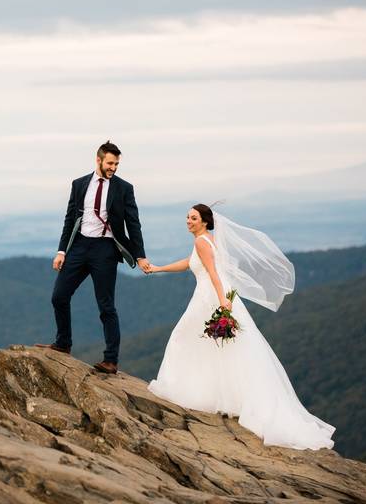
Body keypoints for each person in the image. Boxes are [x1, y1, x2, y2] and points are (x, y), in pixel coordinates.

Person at [145, 204, 335, 450]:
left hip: (209, 296)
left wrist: (222, 300)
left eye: (193, 218)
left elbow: (212, 272)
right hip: (216, 294)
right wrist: (159, 268)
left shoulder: (202, 242)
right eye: (187, 217)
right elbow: (191, 263)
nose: (188, 221)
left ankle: (191, 389)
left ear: (204, 221)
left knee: (184, 338)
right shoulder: (207, 240)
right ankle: (222, 395)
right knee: (220, 346)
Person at [35, 140, 150, 374]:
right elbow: (70, 219)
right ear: (98, 160)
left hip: (106, 249)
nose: (114, 168)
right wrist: (61, 251)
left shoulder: (124, 188)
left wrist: (140, 256)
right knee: (59, 296)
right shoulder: (79, 184)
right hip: (79, 247)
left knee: (106, 306)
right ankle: (63, 344)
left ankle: (111, 360)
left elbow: (133, 223)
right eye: (110, 163)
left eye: (116, 164)